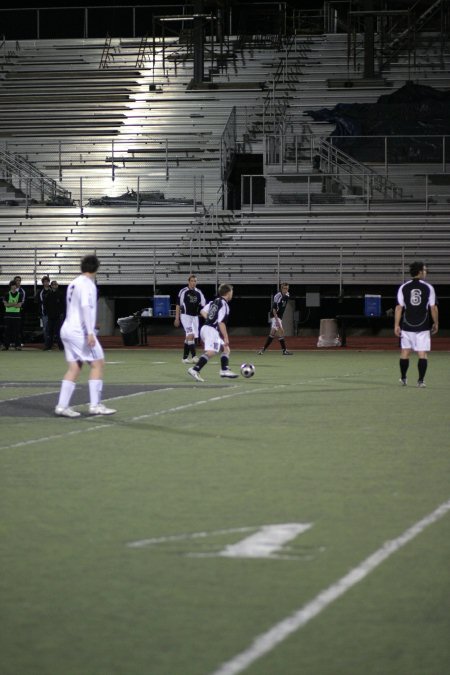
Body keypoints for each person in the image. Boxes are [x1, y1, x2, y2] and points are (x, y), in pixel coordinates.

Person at [55, 254, 116, 417]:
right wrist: (90, 332)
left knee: (75, 367)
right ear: (96, 268)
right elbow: (85, 307)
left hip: (66, 329)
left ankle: (61, 406)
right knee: (98, 363)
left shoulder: (74, 282)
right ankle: (95, 405)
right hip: (78, 332)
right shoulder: (88, 284)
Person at [394, 261, 438, 388]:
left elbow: (398, 308)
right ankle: (420, 381)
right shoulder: (428, 287)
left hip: (407, 324)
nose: (425, 272)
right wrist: (436, 322)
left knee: (405, 352)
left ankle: (403, 378)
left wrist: (396, 325)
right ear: (419, 272)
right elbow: (433, 308)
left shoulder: (403, 287)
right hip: (423, 325)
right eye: (424, 270)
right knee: (422, 354)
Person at [187, 283, 238, 382]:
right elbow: (221, 322)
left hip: (205, 328)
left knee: (226, 349)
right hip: (211, 330)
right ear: (228, 293)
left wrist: (210, 319)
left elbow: (202, 311)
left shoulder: (214, 301)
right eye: (231, 292)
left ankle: (224, 370)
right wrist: (226, 337)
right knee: (211, 352)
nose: (232, 294)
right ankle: (194, 369)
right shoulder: (224, 304)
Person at [174, 274, 206, 363]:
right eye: (192, 281)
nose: (193, 282)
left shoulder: (199, 292)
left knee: (189, 337)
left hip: (195, 317)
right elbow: (178, 305)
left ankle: (184, 358)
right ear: (188, 282)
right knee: (191, 335)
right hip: (185, 316)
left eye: (195, 281)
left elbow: (203, 305)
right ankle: (194, 356)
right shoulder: (183, 291)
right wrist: (177, 318)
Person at [257, 282, 293, 355]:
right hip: (275, 316)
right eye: (285, 288)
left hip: (279, 317)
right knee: (278, 332)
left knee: (274, 333)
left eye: (287, 288)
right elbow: (274, 310)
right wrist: (278, 322)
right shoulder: (277, 296)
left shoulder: (287, 295)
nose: (286, 290)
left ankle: (263, 350)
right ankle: (284, 351)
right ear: (281, 288)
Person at [2, 279, 23, 351]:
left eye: (15, 285)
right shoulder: (7, 294)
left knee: (16, 331)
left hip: (16, 315)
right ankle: (6, 346)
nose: (14, 287)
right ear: (10, 286)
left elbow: (19, 306)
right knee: (7, 331)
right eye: (12, 285)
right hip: (8, 315)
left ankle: (17, 346)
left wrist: (10, 304)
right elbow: (6, 305)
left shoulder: (19, 294)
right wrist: (14, 304)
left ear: (16, 286)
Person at [44, 279, 65, 350]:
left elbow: (63, 305)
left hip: (58, 316)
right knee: (49, 332)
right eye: (53, 284)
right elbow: (45, 305)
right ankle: (48, 346)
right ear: (51, 286)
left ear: (57, 286)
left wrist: (61, 313)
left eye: (55, 284)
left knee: (59, 332)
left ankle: (61, 347)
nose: (54, 286)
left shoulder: (61, 294)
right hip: (50, 316)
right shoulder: (48, 295)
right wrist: (46, 313)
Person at [38, 275, 52, 350]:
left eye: (47, 282)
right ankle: (47, 345)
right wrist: (41, 313)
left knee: (52, 329)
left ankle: (51, 344)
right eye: (45, 282)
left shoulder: (52, 291)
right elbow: (41, 303)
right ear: (43, 283)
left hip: (53, 314)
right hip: (45, 314)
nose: (46, 283)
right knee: (45, 329)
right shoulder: (41, 292)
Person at [13, 275, 26, 346]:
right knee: (12, 326)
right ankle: (12, 341)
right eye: (16, 280)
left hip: (19, 312)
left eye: (19, 280)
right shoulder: (10, 291)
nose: (18, 282)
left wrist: (13, 305)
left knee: (19, 326)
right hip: (11, 312)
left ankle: (20, 341)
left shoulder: (22, 291)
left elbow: (22, 302)